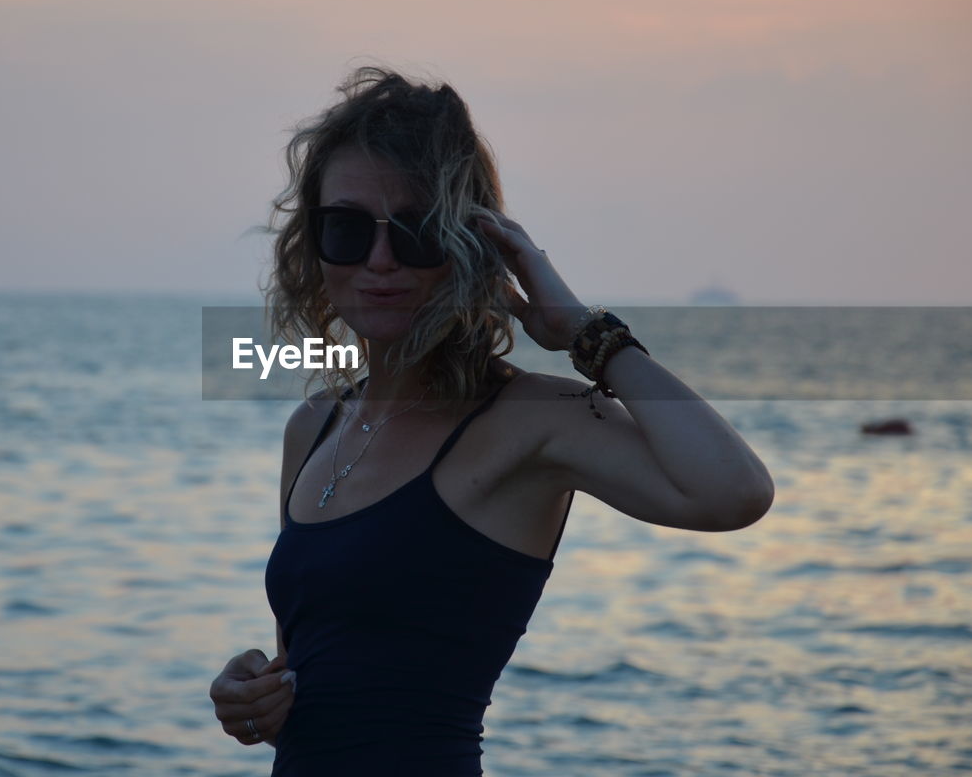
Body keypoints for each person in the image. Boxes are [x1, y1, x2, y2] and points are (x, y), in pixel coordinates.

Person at [209, 67, 774, 775]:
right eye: (347, 229)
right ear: (312, 244)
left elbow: (735, 491)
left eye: (416, 232)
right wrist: (251, 694)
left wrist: (584, 333)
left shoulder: (529, 418)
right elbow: (322, 666)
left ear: (470, 246)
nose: (379, 262)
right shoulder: (315, 425)